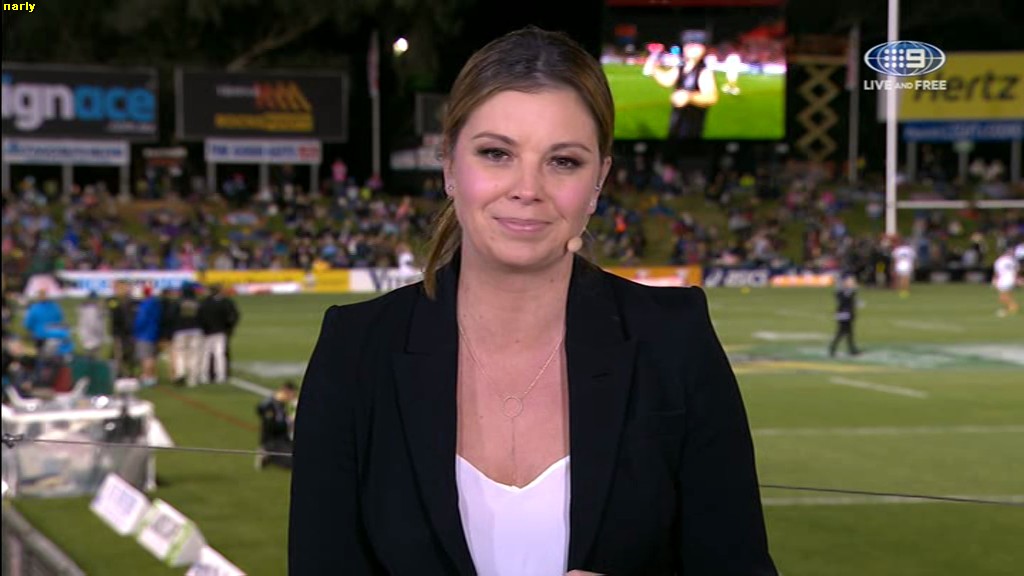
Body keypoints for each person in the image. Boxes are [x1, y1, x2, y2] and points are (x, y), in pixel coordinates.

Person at [289, 27, 776, 576]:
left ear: (599, 180)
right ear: (449, 165)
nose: (528, 188)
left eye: (563, 161)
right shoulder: (355, 349)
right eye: (496, 154)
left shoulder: (674, 341)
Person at [642, 29, 720, 139]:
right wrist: (654, 69)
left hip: (691, 126)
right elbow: (667, 80)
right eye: (688, 44)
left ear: (703, 49)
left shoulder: (704, 71)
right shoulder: (681, 67)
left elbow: (711, 97)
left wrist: (689, 97)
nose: (691, 48)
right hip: (676, 121)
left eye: (696, 45)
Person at [256, 381, 298, 470]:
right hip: (272, 441)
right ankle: (266, 454)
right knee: (293, 461)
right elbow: (270, 426)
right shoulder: (270, 405)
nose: (292, 398)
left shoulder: (280, 404)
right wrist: (288, 423)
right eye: (292, 395)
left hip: (283, 439)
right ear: (286, 391)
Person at [829, 274, 861, 357]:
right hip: (843, 314)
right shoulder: (842, 292)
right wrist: (850, 291)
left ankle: (852, 349)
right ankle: (832, 349)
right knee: (841, 332)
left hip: (849, 313)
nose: (852, 282)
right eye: (850, 281)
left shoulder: (850, 291)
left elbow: (852, 301)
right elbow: (842, 300)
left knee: (849, 333)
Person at [992, 246, 1020, 317]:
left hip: (1004, 279)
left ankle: (1013, 306)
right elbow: (1017, 270)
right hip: (1012, 279)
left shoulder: (999, 261)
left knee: (1002, 297)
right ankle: (1009, 308)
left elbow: (997, 273)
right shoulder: (1012, 260)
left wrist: (995, 280)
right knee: (1008, 295)